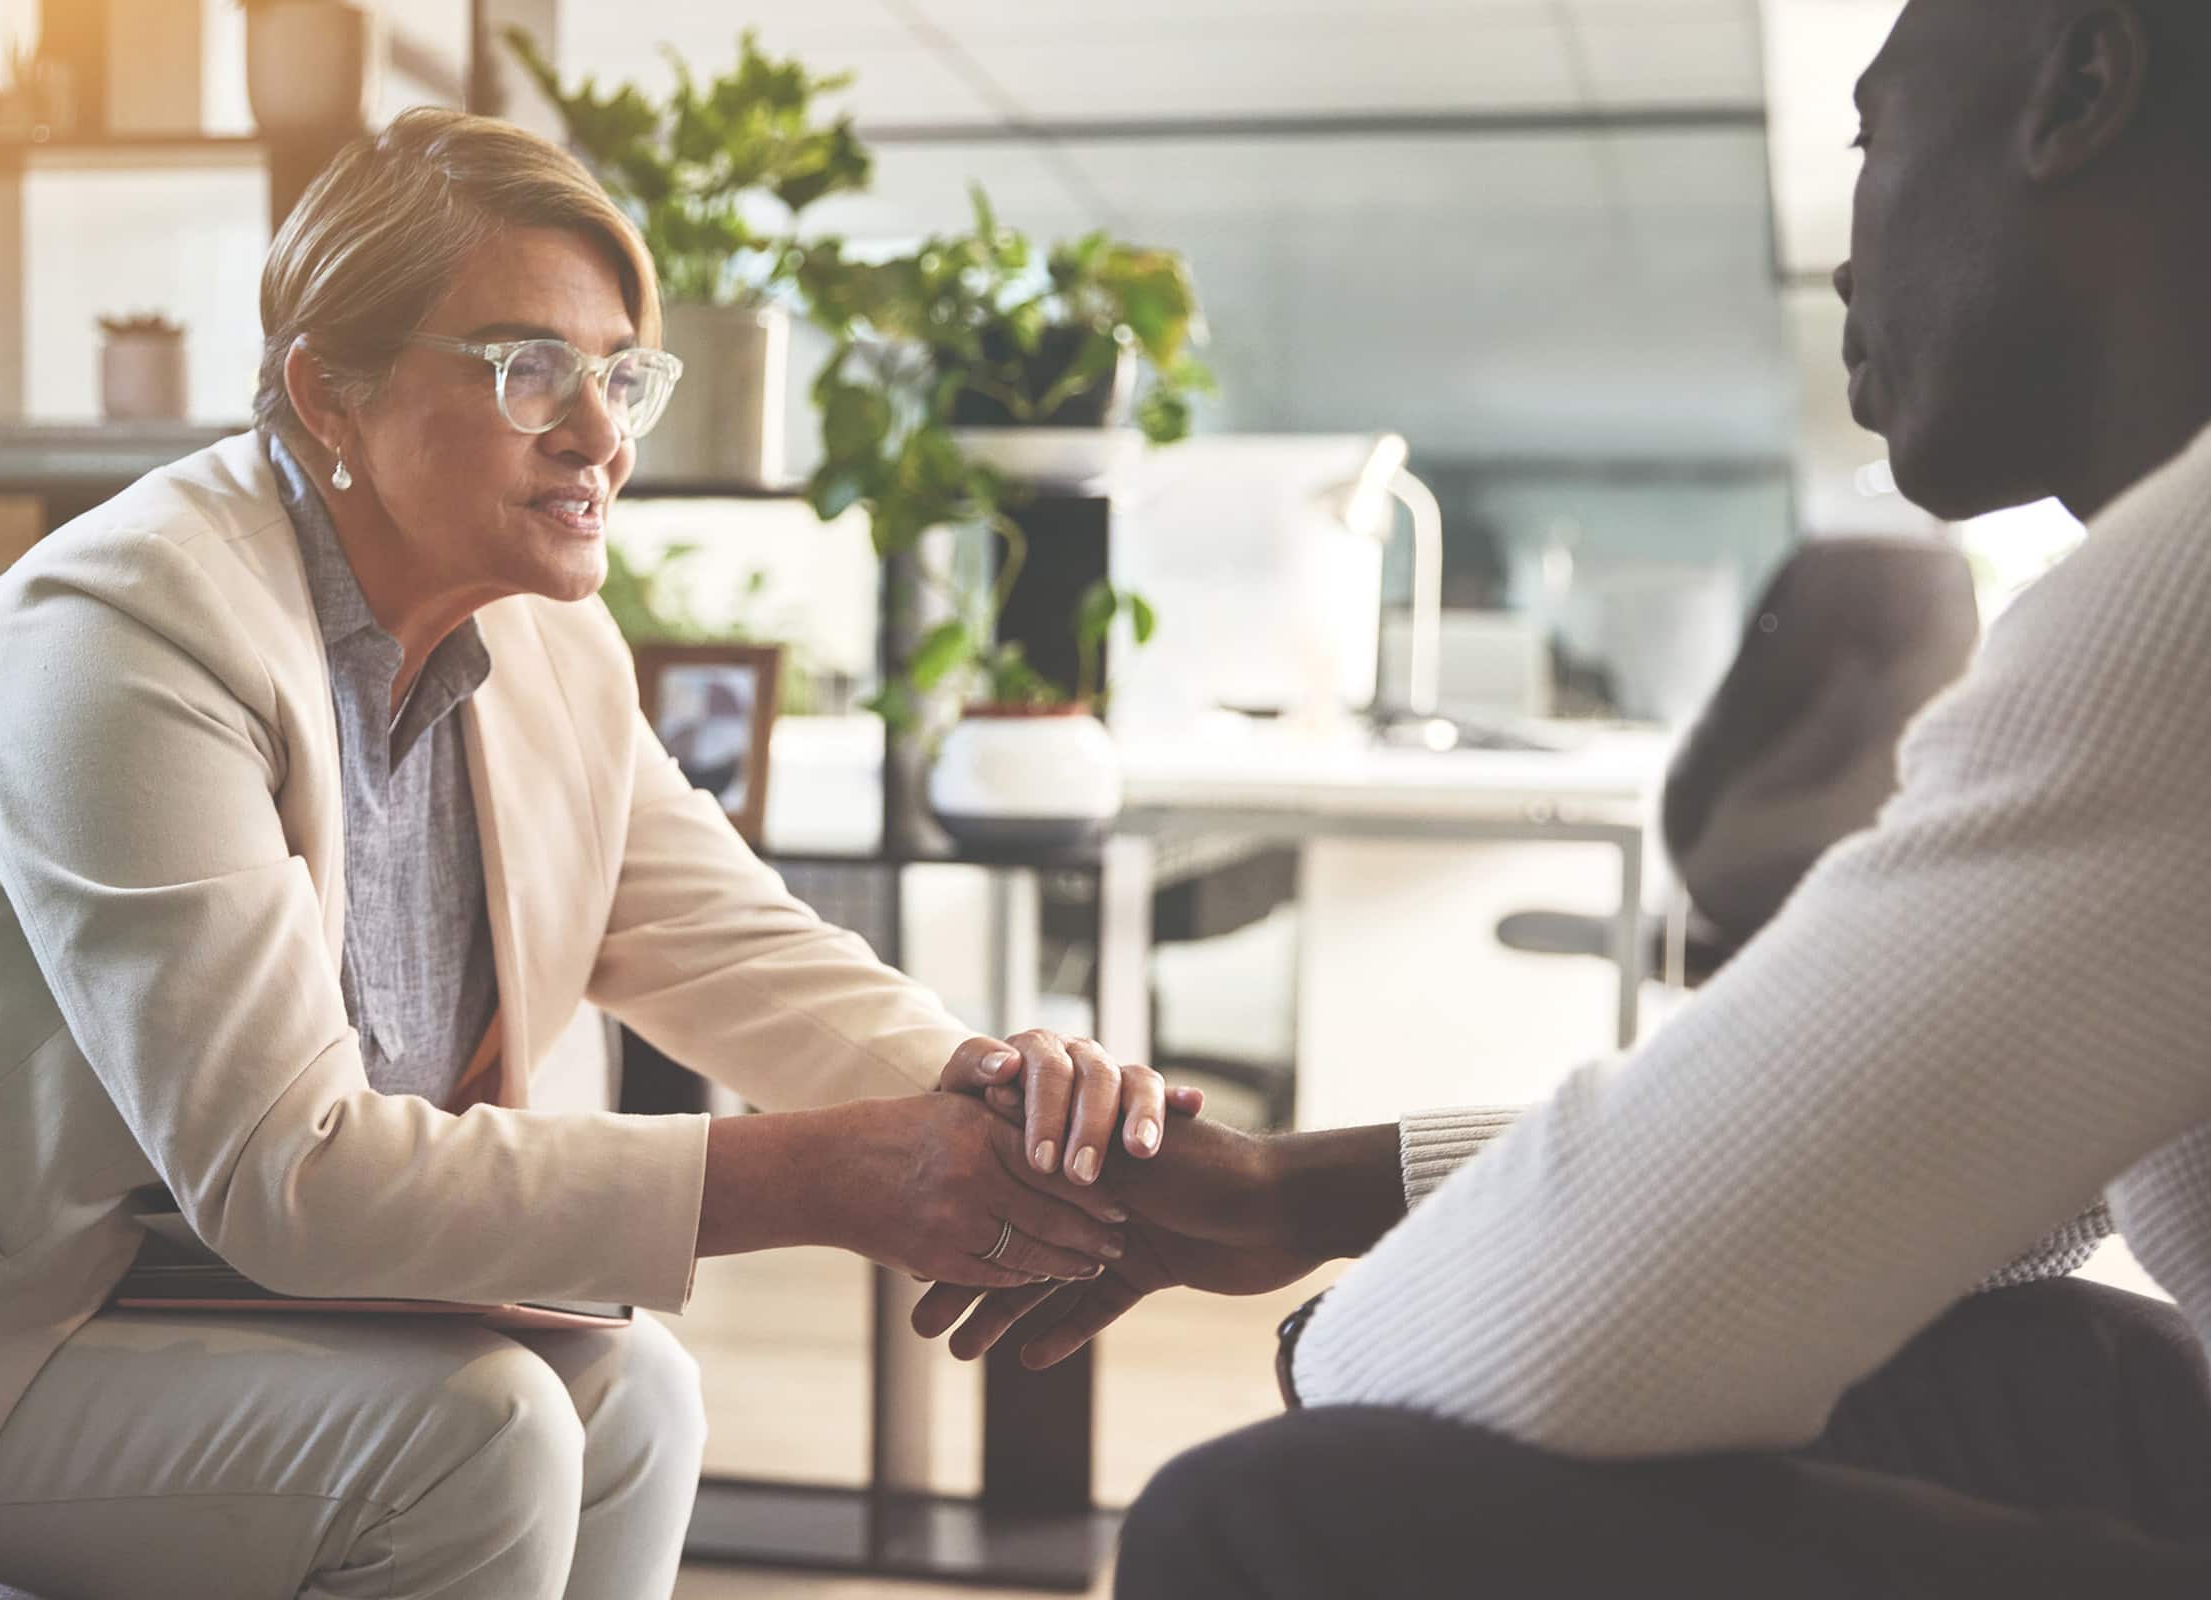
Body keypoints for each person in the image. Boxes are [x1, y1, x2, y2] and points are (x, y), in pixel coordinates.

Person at [0, 109, 1194, 1600]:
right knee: (475, 1433)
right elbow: (298, 1178)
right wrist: (821, 1179)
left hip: (159, 1290)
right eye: (530, 367)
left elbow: (731, 945)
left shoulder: (546, 641)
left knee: (637, 1395)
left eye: (621, 375)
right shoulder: (120, 642)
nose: (600, 432)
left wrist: (996, 1100)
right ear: (325, 393)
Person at [924, 1, 2211, 1591]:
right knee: (2029, 1356)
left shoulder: (2185, 608)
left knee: (1267, 1517)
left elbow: (1510, 1336)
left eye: (1875, 139)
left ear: (2082, 88)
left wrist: (1358, 1301)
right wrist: (1294, 1188)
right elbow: (1967, 1176)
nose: (1850, 269)